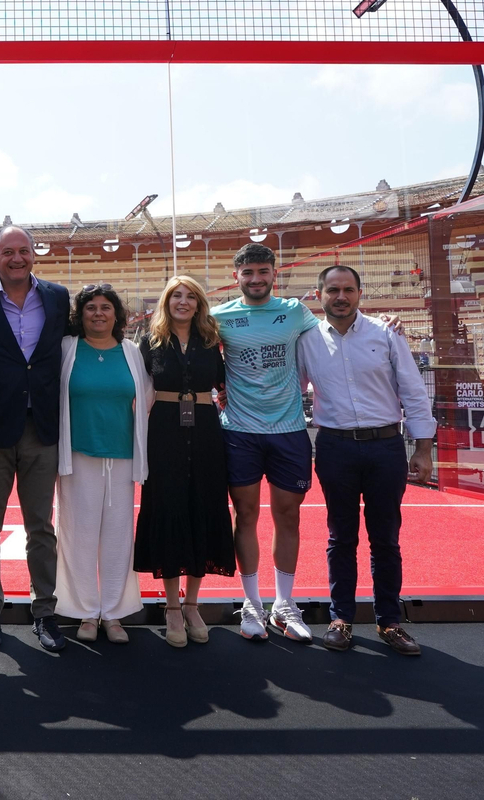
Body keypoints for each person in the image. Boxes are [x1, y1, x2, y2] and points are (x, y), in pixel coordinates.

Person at [299, 265, 434, 656]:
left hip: (385, 447)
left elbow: (412, 390)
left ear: (360, 293)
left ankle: (389, 622)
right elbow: (292, 390)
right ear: (319, 293)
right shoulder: (306, 338)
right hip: (334, 448)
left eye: (348, 290)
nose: (341, 297)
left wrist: (423, 448)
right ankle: (340, 618)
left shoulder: (386, 332)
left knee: (385, 539)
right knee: (340, 537)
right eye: (333, 290)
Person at [0, 225, 72, 652]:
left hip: (42, 427)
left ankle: (45, 612)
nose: (17, 258)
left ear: (34, 255)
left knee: (41, 527)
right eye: (8, 252)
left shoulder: (57, 297)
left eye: (23, 251)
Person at [213, 242, 321, 644]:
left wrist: (385, 323)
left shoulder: (294, 312)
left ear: (274, 273)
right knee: (245, 516)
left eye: (263, 272)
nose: (256, 279)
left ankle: (284, 604)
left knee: (288, 517)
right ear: (236, 276)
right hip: (239, 431)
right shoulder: (220, 316)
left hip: (289, 430)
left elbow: (332, 338)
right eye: (248, 273)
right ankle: (252, 602)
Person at [133, 275, 236, 648]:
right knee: (168, 508)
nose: (183, 301)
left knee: (202, 508)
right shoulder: (150, 342)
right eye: (176, 295)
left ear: (199, 303)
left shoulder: (211, 342)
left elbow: (226, 385)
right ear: (166, 301)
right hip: (162, 434)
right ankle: (172, 606)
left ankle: (193, 604)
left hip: (207, 434)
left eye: (190, 296)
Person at [54, 284, 150, 644]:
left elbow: (146, 398)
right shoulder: (67, 348)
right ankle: (84, 612)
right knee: (78, 535)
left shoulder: (130, 352)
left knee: (118, 537)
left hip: (122, 456)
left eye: (105, 307)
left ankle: (113, 613)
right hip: (78, 455)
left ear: (116, 314)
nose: (98, 313)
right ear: (80, 315)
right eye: (90, 307)